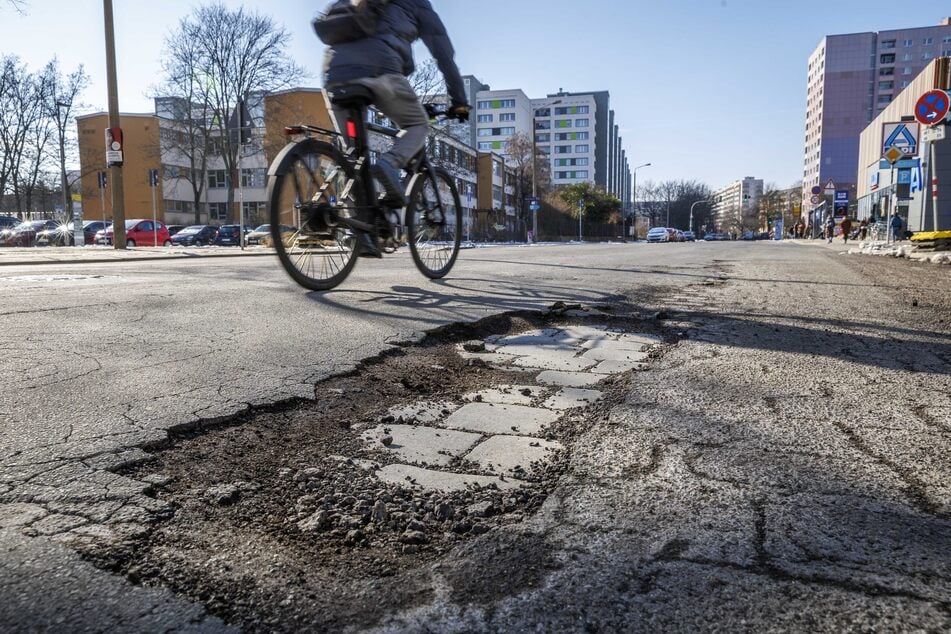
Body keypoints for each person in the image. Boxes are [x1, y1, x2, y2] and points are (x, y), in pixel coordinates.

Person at [321, 0, 470, 210]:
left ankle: (355, 222)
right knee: (417, 124)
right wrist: (459, 101)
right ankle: (389, 163)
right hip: (381, 69)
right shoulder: (417, 3)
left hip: (333, 75)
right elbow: (444, 56)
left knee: (354, 159)